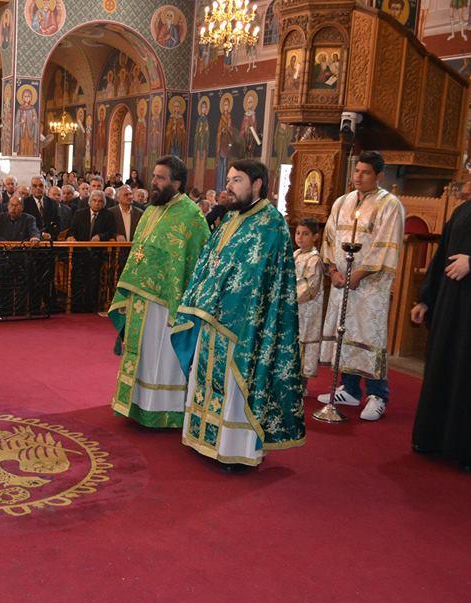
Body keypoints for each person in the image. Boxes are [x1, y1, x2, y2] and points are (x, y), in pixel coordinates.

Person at [172, 160, 305, 467]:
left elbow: (260, 278)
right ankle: (203, 438)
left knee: (234, 383)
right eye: (229, 179)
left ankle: (235, 450)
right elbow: (208, 262)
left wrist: (224, 305)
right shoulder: (230, 218)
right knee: (204, 378)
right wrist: (199, 300)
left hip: (245, 326)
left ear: (257, 184)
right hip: (210, 317)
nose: (228, 186)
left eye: (237, 180)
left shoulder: (271, 224)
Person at [411, 141, 471, 471]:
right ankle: (434, 438)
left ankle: (468, 449)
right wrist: (425, 298)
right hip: (450, 308)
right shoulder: (464, 211)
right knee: (442, 370)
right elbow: (440, 258)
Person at [108, 156, 210, 429]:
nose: (154, 182)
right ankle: (137, 404)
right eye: (153, 176)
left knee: (162, 356)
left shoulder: (192, 217)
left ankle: (165, 411)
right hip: (141, 299)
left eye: (161, 178)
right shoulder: (151, 211)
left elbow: (196, 263)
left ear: (177, 182)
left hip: (169, 305)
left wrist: (183, 303)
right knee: (142, 353)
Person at [317, 151, 404, 421]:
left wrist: (358, 275)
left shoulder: (390, 205)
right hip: (342, 280)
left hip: (370, 285)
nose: (358, 176)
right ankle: (351, 389)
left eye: (366, 172)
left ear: (378, 176)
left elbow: (386, 245)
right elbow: (329, 239)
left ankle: (378, 395)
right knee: (345, 331)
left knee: (369, 335)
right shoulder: (342, 202)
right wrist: (333, 270)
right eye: (357, 171)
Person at [294, 218, 325, 384]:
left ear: (315, 237)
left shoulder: (314, 259)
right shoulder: (296, 254)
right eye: (298, 233)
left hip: (306, 308)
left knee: (304, 342)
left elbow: (310, 286)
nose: (300, 237)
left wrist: (289, 296)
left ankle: (301, 383)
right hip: (294, 309)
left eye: (305, 234)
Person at [23, 175, 61, 239]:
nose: (38, 188)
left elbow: (57, 222)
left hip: (50, 240)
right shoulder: (25, 203)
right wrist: (41, 234)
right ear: (31, 188)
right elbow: (24, 225)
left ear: (45, 187)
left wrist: (51, 235)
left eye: (41, 185)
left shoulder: (52, 203)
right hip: (32, 240)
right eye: (35, 186)